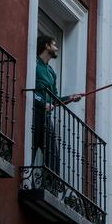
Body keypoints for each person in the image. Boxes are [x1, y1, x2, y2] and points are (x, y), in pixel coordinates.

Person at [33, 35, 82, 173]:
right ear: (46, 46)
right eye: (54, 45)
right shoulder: (34, 64)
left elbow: (54, 98)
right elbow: (30, 89)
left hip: (45, 117)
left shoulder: (51, 73)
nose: (56, 48)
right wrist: (43, 103)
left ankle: (50, 188)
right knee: (31, 147)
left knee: (52, 155)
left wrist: (71, 98)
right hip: (34, 113)